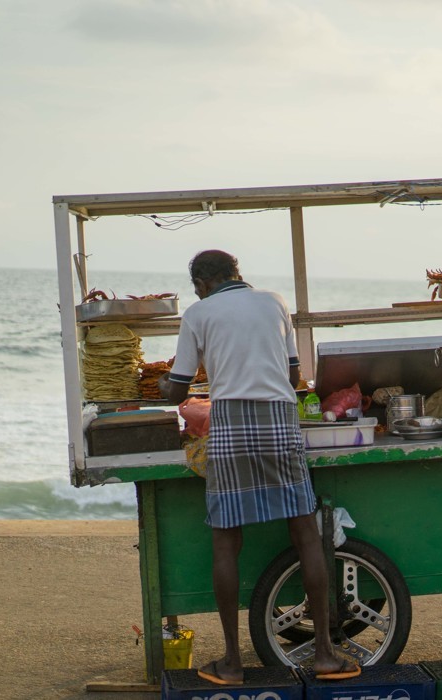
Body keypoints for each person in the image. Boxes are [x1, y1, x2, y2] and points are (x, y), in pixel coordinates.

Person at [159, 250, 359, 685]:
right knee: (305, 532)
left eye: (196, 286)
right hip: (279, 422)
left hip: (230, 423)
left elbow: (176, 391)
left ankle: (232, 663)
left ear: (202, 283)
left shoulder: (197, 313)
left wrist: (163, 383)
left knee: (227, 540)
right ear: (237, 275)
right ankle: (324, 654)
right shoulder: (274, 303)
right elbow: (291, 377)